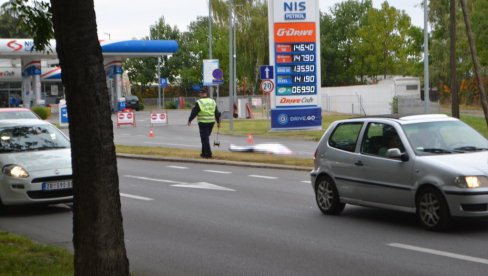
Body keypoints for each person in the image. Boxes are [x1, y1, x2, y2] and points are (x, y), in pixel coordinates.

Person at [187, 88, 221, 159]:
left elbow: (194, 112)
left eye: (200, 93)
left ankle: (208, 154)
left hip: (203, 123)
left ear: (201, 94)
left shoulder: (199, 102)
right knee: (205, 138)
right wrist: (218, 122)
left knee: (205, 139)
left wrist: (190, 120)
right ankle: (203, 153)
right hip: (211, 122)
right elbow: (217, 113)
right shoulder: (212, 101)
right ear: (206, 94)